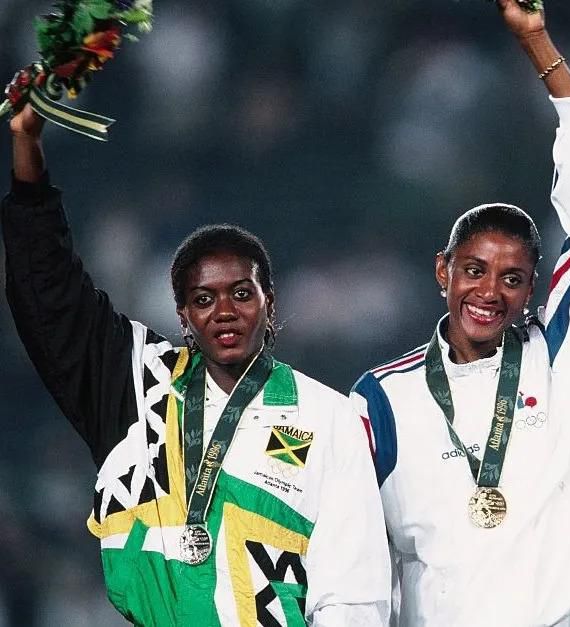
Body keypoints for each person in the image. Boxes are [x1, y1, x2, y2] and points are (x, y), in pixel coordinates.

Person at [2, 104, 391, 626]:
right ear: (183, 316)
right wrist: (28, 149)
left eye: (241, 294)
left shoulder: (327, 417)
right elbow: (49, 295)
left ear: (270, 303)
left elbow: (354, 591)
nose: (225, 312)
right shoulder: (140, 386)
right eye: (204, 300)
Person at [348, 2, 570, 625]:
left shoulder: (563, 353)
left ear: (534, 290)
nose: (489, 292)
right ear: (442, 272)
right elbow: (351, 555)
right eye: (474, 270)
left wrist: (537, 43)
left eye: (512, 279)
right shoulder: (379, 400)